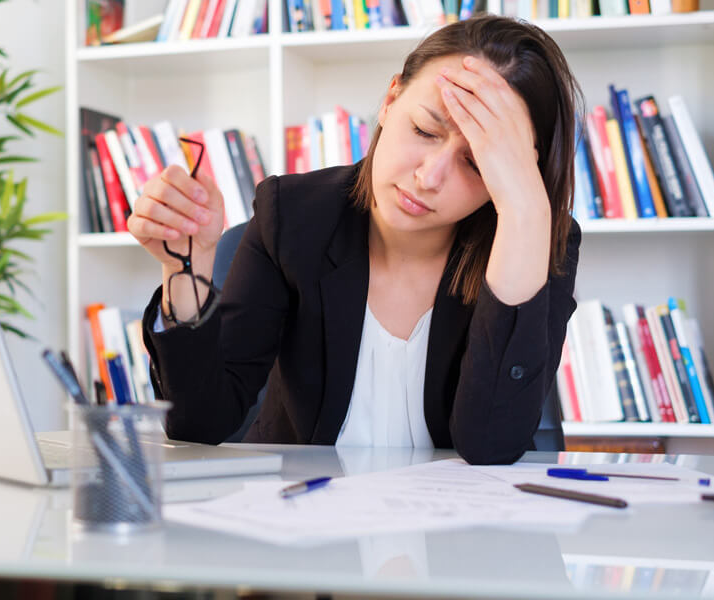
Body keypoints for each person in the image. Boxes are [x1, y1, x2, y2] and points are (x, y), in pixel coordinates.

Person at [129, 15, 583, 465]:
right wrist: (183, 266)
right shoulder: (293, 215)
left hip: (454, 531)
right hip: (307, 518)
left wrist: (524, 208)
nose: (429, 177)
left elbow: (491, 444)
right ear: (390, 99)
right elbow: (200, 423)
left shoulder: (533, 238)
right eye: (424, 131)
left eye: (479, 163)